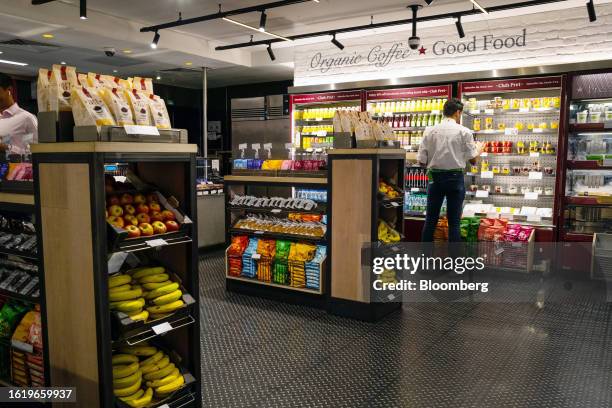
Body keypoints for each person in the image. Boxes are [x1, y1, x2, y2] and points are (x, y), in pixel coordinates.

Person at [417, 98, 482, 242]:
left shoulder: (430, 131)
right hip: (455, 178)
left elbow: (421, 162)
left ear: (444, 112)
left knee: (430, 220)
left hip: (435, 179)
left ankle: (424, 259)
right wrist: (479, 150)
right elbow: (473, 160)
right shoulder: (464, 131)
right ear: (458, 113)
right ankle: (454, 262)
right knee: (454, 223)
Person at [0, 73, 38, 155]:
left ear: (9, 90)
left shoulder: (26, 118)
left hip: (15, 167)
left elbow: (32, 153)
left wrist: (6, 148)